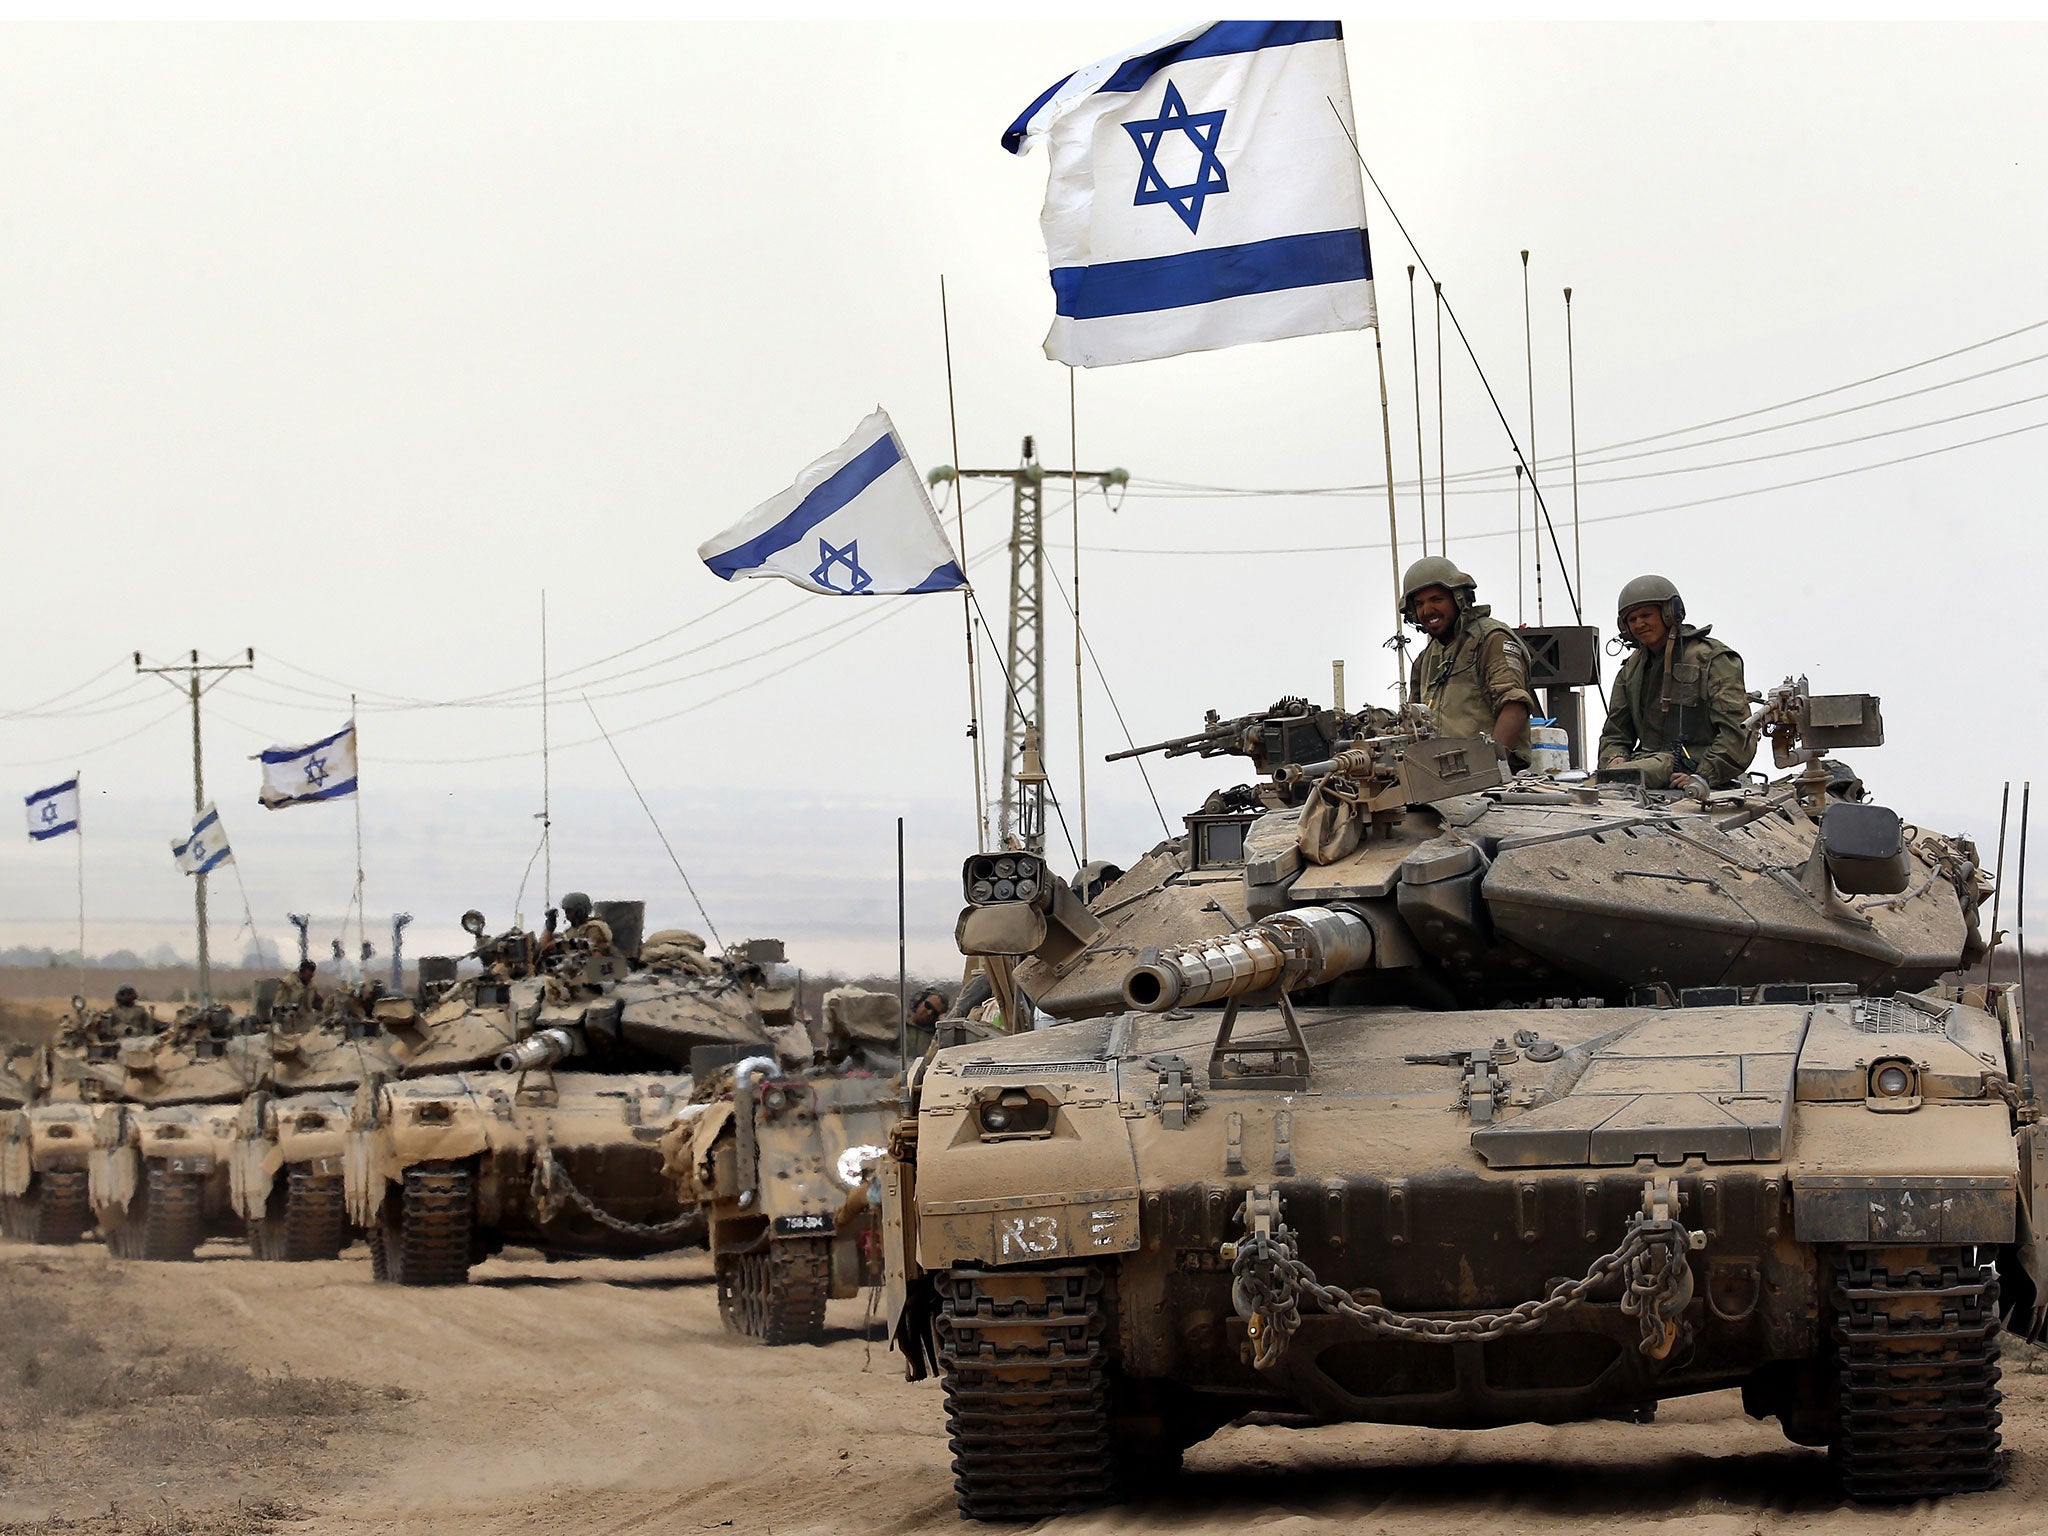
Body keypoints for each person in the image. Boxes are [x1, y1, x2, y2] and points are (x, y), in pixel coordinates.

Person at [1598, 574, 1756, 790]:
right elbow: (1616, 732)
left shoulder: (1710, 659)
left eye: (1646, 615)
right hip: (1643, 766)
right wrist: (1614, 759)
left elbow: (1737, 735)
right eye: (1632, 619)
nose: (1639, 624)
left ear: (1670, 613)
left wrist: (1703, 775)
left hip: (1696, 762)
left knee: (1623, 778)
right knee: (1603, 781)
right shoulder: (1631, 670)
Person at [1401, 556, 1535, 760]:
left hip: (1489, 782)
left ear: (1458, 598)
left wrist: (1490, 767)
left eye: (1437, 600)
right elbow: (1414, 723)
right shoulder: (1426, 659)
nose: (1427, 610)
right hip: (1438, 779)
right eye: (1419, 604)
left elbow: (1514, 706)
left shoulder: (1491, 640)